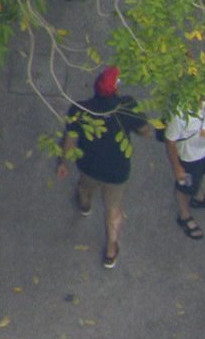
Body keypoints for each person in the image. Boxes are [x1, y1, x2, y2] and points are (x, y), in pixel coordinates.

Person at [56, 65, 151, 268]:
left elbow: (71, 138)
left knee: (84, 186)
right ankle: (110, 249)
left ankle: (84, 205)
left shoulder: (80, 109)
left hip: (89, 165)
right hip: (117, 171)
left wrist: (64, 162)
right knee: (113, 209)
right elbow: (144, 130)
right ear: (116, 90)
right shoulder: (126, 107)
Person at [162, 99, 205, 239]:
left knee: (199, 176)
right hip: (188, 158)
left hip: (204, 151)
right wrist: (177, 167)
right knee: (184, 187)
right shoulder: (179, 115)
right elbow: (170, 141)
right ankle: (184, 216)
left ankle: (198, 197)